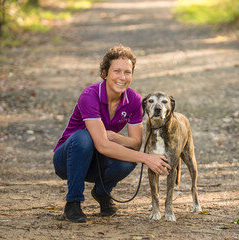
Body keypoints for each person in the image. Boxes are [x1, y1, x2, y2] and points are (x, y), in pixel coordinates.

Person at [53, 45, 171, 223]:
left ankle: (102, 192)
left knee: (130, 158)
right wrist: (147, 158)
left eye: (127, 72)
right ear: (104, 73)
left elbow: (135, 143)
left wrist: (116, 137)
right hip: (68, 159)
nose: (122, 78)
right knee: (84, 138)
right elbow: (101, 144)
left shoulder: (134, 100)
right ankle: (73, 202)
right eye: (117, 71)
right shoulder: (89, 96)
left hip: (97, 161)